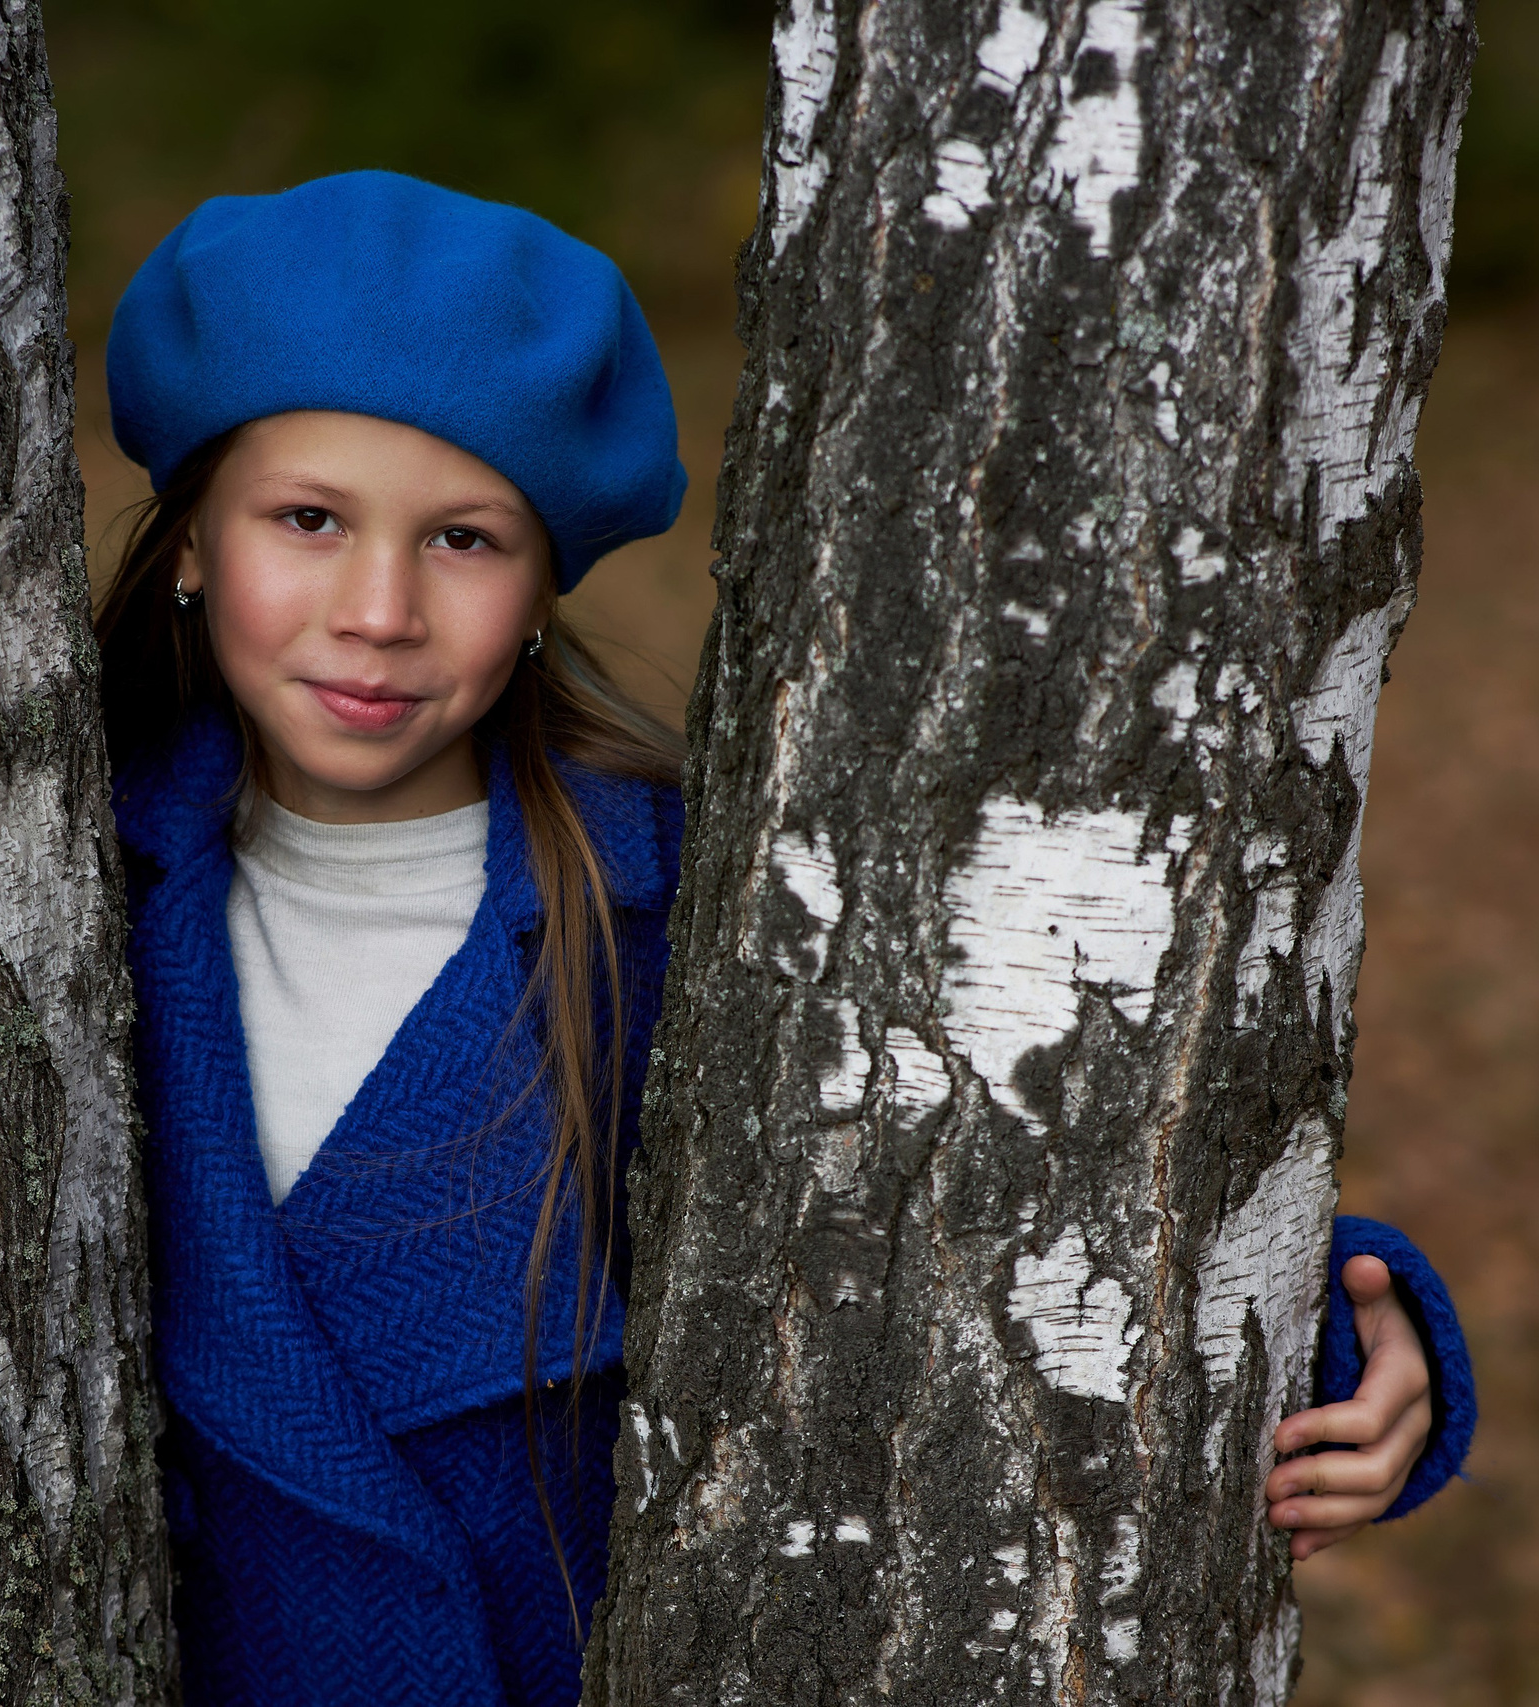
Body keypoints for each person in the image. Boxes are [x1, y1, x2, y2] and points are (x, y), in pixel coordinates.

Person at [94, 170, 1476, 1707]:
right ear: (197, 540)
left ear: (548, 582)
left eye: (466, 540)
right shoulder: (76, 893)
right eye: (308, 519)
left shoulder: (705, 901)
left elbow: (983, 1188)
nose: (377, 609)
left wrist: (1350, 1347)